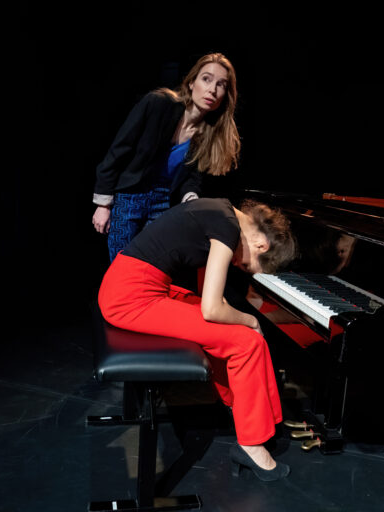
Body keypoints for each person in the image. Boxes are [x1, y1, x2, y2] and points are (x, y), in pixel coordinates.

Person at [98, 197, 297, 481]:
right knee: (247, 341)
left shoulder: (222, 211)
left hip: (134, 285)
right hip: (131, 297)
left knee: (242, 335)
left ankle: (245, 412)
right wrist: (251, 320)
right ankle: (251, 444)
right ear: (261, 246)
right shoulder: (227, 228)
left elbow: (207, 297)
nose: (242, 266)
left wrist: (237, 320)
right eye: (249, 267)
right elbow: (212, 309)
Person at [92, 52, 241, 262]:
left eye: (221, 85)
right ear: (191, 83)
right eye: (206, 79)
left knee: (150, 267)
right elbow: (119, 150)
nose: (212, 90)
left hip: (163, 203)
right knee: (121, 266)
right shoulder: (158, 103)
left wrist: (191, 199)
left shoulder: (208, 133)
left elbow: (192, 179)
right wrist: (103, 204)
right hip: (130, 196)